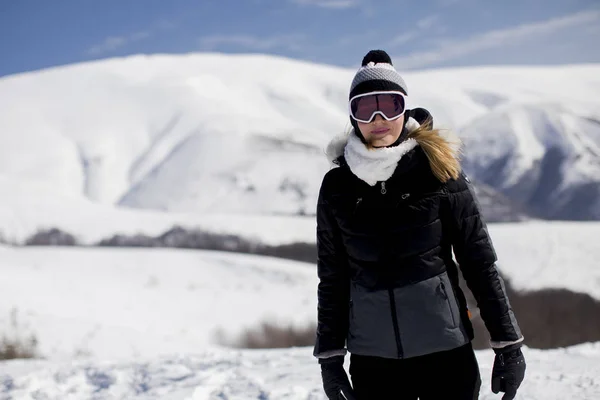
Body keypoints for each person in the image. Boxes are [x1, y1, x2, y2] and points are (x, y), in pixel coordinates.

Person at [313, 49, 526, 400]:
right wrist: (330, 359)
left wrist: (508, 344)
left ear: (405, 108)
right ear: (353, 117)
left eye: (390, 104)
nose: (379, 117)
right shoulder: (338, 188)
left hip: (445, 353)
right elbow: (332, 278)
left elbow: (479, 262)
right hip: (373, 360)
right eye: (366, 107)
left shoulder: (439, 172)